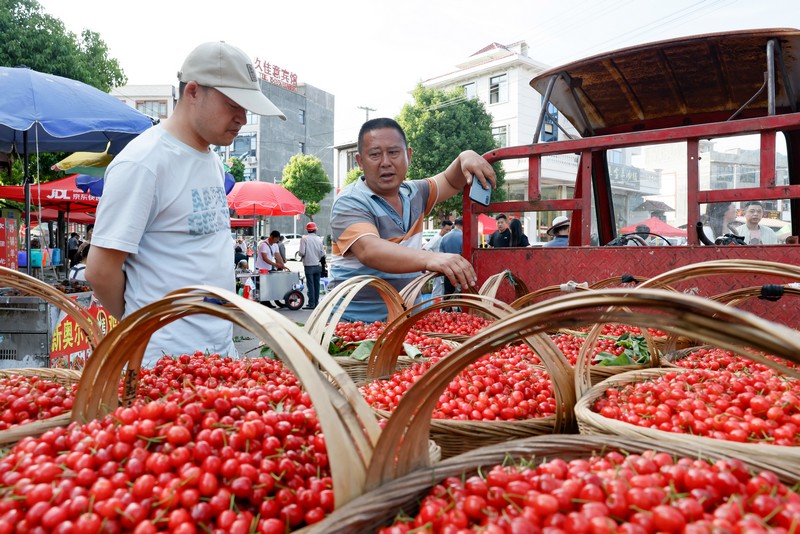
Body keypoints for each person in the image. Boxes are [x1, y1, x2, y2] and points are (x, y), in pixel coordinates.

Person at [86, 41, 287, 367]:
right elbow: (100, 269)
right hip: (162, 360)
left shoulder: (212, 160)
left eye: (246, 108)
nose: (241, 117)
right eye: (233, 104)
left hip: (218, 351)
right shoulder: (144, 162)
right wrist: (146, 324)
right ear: (193, 91)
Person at [328, 117, 496, 322]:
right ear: (360, 162)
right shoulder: (350, 201)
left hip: (408, 325)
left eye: (393, 152)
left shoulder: (415, 193)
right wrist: (430, 259)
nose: (385, 162)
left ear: (408, 155)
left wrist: (465, 157)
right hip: (354, 327)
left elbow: (451, 181)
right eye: (374, 154)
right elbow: (369, 250)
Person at [299, 222, 326, 310]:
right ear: (315, 230)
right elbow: (322, 253)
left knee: (310, 285)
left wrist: (303, 256)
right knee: (316, 285)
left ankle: (311, 304)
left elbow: (302, 252)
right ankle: (316, 303)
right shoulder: (319, 239)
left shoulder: (304, 239)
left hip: (308, 265)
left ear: (307, 230)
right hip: (318, 265)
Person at [439, 218, 464, 296]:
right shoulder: (464, 237)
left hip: (447, 272)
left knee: (447, 295)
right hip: (460, 271)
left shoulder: (444, 238)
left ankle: (447, 308)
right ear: (463, 225)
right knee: (461, 296)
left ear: (454, 225)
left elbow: (440, 255)